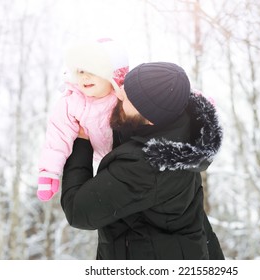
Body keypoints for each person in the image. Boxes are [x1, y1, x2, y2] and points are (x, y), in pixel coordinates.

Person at [61, 62, 224, 259]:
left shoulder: (145, 166)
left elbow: (78, 211)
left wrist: (81, 141)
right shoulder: (180, 123)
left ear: (150, 119)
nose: (118, 94)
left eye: (128, 96)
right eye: (125, 86)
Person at [37, 38, 129, 201]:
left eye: (92, 71)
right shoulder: (71, 101)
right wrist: (49, 172)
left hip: (126, 158)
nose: (84, 77)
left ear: (112, 74)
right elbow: (58, 136)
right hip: (99, 160)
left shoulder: (123, 98)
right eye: (79, 71)